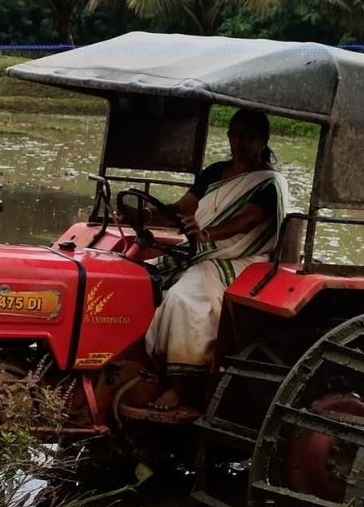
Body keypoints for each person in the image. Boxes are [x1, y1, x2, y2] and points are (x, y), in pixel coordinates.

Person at [118, 109, 290, 410]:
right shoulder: (213, 173)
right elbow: (180, 210)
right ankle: (132, 362)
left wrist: (207, 233)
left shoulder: (269, 185)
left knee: (183, 298)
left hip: (241, 260)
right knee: (139, 279)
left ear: (262, 140)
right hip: (200, 251)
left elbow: (245, 222)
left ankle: (179, 385)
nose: (238, 142)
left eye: (246, 136)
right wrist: (141, 215)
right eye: (233, 134)